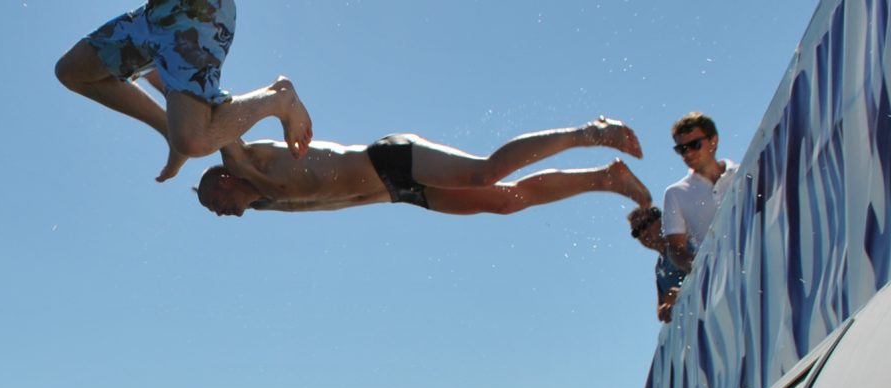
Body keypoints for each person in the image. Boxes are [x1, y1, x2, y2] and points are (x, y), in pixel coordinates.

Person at [55, 1, 313, 182]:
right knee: (72, 71)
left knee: (192, 140)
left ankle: (278, 99)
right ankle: (169, 127)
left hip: (197, 14)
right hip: (156, 15)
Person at [193, 118, 649, 218]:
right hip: (400, 192)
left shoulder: (248, 161)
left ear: (226, 179)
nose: (219, 211)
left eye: (215, 200)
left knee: (485, 172)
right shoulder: (265, 203)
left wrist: (161, 75)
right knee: (506, 202)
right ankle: (606, 178)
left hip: (388, 158)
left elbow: (209, 122)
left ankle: (591, 133)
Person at [660, 111, 739, 274]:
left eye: (694, 145)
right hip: (721, 277)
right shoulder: (675, 194)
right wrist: (696, 267)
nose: (688, 153)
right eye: (682, 149)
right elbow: (675, 248)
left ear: (713, 141)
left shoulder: (744, 173)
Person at [629, 205, 687, 321]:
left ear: (661, 220)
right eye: (636, 232)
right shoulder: (659, 268)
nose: (643, 233)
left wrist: (682, 292)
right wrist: (663, 309)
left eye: (645, 224)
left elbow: (704, 269)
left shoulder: (681, 244)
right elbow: (660, 308)